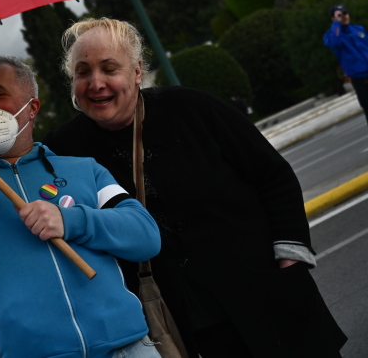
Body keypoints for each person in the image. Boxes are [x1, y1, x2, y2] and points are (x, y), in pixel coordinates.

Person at [41, 18, 346, 357]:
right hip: (183, 321)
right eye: (83, 72)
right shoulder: (62, 151)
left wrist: (291, 259)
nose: (96, 83)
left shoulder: (194, 108)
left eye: (109, 68)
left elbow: (272, 176)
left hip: (267, 295)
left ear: (137, 71)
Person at [0, 55, 162, 358]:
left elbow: (146, 236)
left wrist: (71, 221)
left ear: (32, 108)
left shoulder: (84, 169)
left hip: (127, 347)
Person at [324, 3, 368, 126]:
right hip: (359, 76)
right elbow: (334, 43)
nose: (344, 17)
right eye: (339, 15)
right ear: (333, 18)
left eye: (345, 13)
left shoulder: (358, 29)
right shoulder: (332, 35)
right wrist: (337, 24)